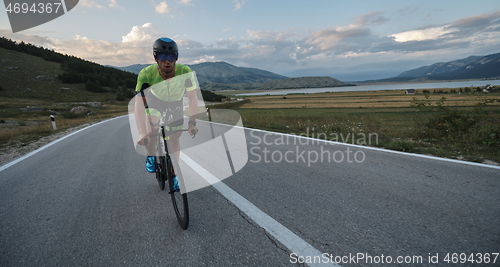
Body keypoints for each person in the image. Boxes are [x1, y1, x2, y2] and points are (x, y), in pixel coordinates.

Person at [134, 37, 199, 189]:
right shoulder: (146, 74)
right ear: (156, 58)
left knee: (175, 138)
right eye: (163, 57)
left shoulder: (185, 71)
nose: (167, 61)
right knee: (152, 129)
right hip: (155, 103)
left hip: (175, 103)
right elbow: (139, 103)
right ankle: (151, 155)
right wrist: (141, 132)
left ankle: (174, 174)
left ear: (176, 57)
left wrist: (192, 123)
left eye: (172, 57)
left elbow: (193, 98)